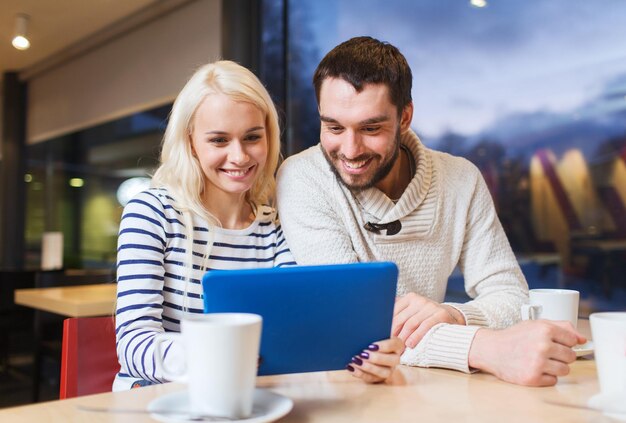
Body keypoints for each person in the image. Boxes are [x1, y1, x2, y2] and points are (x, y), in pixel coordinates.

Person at [276, 36, 585, 386]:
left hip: (428, 383)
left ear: (405, 117)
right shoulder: (303, 178)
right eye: (333, 127)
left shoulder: (461, 179)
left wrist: (453, 315)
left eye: (371, 128)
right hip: (344, 385)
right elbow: (354, 324)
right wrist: (484, 347)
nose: (349, 149)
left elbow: (513, 297)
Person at [114, 60, 400, 390]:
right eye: (219, 140)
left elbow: (299, 335)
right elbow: (134, 345)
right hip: (160, 397)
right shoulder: (152, 211)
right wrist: (217, 357)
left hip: (254, 397)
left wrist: (360, 356)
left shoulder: (275, 226)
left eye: (252, 137)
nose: (239, 156)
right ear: (191, 141)